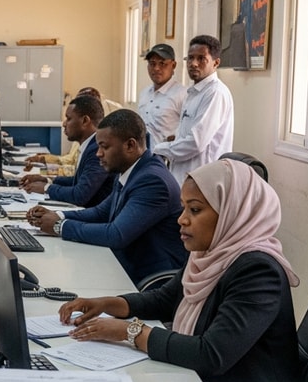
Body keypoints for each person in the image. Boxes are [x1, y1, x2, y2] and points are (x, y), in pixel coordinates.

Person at [59, 159, 300, 382]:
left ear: (231, 212)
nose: (182, 220)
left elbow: (211, 354)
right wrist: (105, 304)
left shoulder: (258, 271)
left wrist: (129, 331)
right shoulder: (209, 253)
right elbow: (166, 299)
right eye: (183, 208)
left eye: (195, 210)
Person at [26, 110, 187, 287]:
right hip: (124, 265)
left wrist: (59, 227)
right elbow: (102, 212)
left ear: (130, 145)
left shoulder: (153, 181)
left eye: (105, 147)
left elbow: (116, 234)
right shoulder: (130, 169)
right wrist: (58, 215)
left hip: (148, 281)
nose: (98, 154)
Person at [152, 35, 234, 184]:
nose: (194, 63)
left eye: (201, 58)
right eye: (190, 58)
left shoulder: (215, 92)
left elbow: (196, 142)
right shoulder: (193, 92)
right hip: (183, 177)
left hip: (203, 181)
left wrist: (160, 149)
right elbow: (185, 133)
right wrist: (173, 138)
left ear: (216, 63)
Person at [18, 94, 112, 207]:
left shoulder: (96, 150)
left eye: (69, 118)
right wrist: (46, 180)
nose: (64, 124)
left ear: (85, 121)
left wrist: (46, 188)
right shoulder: (90, 146)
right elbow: (78, 181)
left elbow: (80, 195)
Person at [137, 43, 187, 147]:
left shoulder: (182, 94)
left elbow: (188, 132)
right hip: (145, 156)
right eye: (152, 63)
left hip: (167, 158)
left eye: (162, 63)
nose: (156, 68)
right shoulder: (144, 93)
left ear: (173, 65)